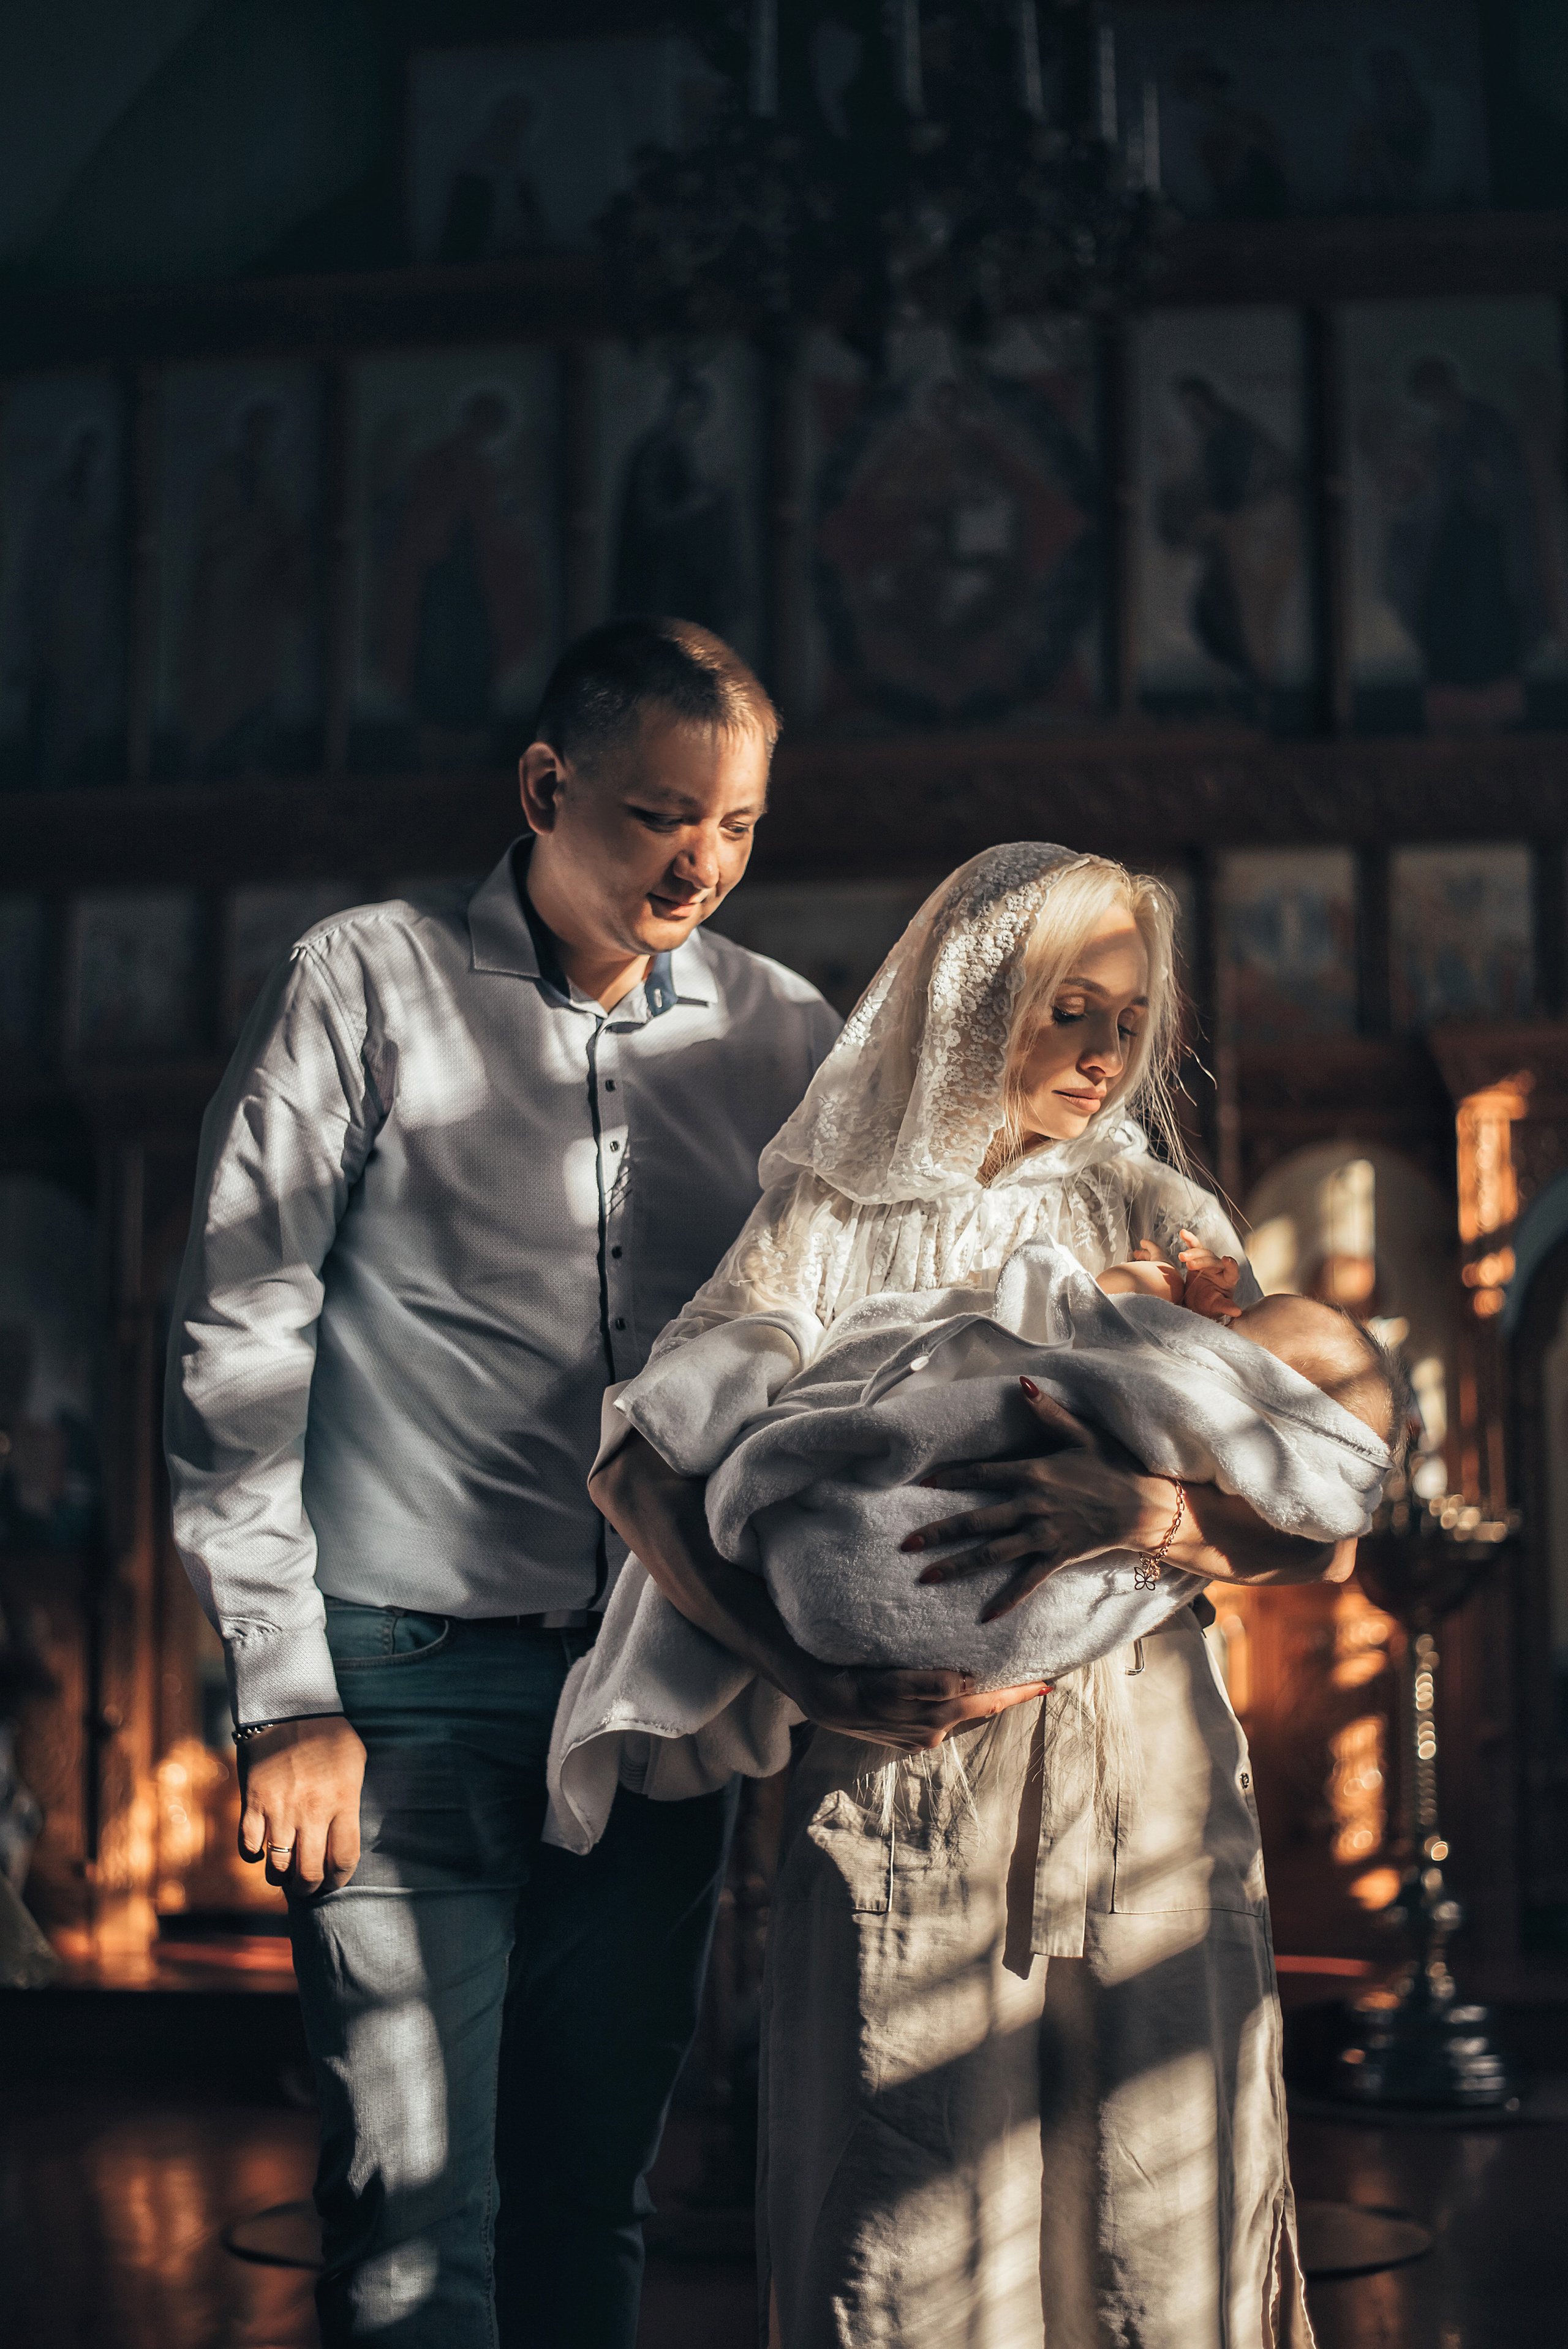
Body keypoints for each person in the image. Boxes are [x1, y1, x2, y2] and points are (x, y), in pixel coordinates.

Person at [165, 618, 856, 2348]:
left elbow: (853, 1349)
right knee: (413, 2228)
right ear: (547, 785)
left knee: (582, 2204)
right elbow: (238, 1342)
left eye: (741, 827)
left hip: (660, 1695)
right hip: (399, 1693)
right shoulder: (362, 984)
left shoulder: (786, 1041)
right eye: (661, 814)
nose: (703, 860)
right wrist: (281, 1692)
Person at [596, 844, 1360, 2346]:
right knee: (903, 2242)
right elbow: (636, 1468)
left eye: (1126, 1021)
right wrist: (804, 1678)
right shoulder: (828, 1213)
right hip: (904, 1778)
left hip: (1141, 1777)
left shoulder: (1161, 1220)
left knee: (1158, 2229)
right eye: (1066, 1008)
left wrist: (1148, 1513)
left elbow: (1315, 1522)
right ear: (966, 1000)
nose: (1101, 1054)